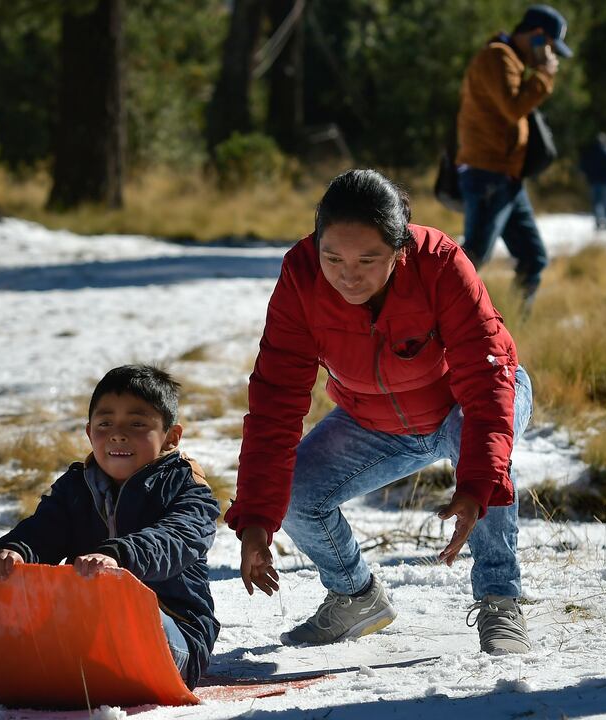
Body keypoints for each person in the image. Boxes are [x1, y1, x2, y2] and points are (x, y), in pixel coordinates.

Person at [227, 169, 535, 655]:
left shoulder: (440, 262)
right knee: (299, 494)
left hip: (470, 400)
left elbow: (485, 377)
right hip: (375, 421)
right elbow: (274, 402)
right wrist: (257, 518)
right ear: (317, 245)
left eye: (368, 259)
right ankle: (356, 595)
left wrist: (477, 484)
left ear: (399, 250)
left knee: (475, 447)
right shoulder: (301, 277)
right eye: (334, 258)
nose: (349, 275)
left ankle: (500, 601)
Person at [0, 365, 220, 705]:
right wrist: (18, 551)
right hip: (89, 625)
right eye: (106, 424)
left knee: (121, 623)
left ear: (170, 437)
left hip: (174, 633)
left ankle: (70, 671)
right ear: (90, 433)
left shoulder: (187, 489)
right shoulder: (75, 488)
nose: (118, 435)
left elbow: (176, 538)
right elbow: (44, 529)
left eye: (137, 424)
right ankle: (28, 674)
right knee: (31, 623)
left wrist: (118, 556)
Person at [456, 4, 572, 307]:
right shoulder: (498, 56)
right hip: (487, 174)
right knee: (471, 259)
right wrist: (544, 75)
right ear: (535, 35)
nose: (550, 54)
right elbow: (513, 107)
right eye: (548, 45)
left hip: (506, 176)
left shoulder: (511, 61)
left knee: (533, 258)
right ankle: (429, 327)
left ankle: (513, 330)